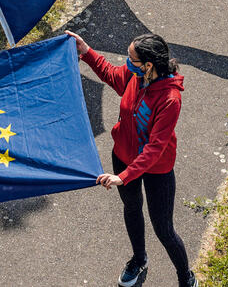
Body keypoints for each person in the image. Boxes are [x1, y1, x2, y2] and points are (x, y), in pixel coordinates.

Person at [66, 30, 195, 287]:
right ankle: (139, 259)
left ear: (148, 65)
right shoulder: (136, 76)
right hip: (123, 157)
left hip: (156, 168)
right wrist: (86, 51)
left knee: (164, 229)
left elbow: (155, 148)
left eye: (130, 58)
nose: (125, 61)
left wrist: (122, 177)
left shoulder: (170, 99)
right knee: (132, 208)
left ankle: (186, 278)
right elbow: (113, 75)